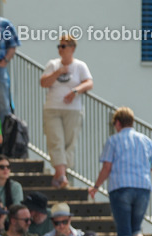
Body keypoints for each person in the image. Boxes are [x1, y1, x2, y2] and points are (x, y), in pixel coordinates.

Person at [89, 107, 152, 236]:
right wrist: (141, 169)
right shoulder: (145, 140)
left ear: (118, 123)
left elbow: (107, 167)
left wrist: (96, 187)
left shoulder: (113, 140)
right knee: (136, 230)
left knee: (124, 232)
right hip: (143, 188)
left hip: (120, 188)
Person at [40, 34, 93, 189]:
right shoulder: (53, 64)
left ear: (72, 48)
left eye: (63, 46)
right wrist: (58, 72)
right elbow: (43, 82)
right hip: (53, 107)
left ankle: (59, 175)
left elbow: (89, 82)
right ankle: (62, 176)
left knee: (69, 143)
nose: (60, 49)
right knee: (56, 140)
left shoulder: (80, 66)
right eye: (59, 46)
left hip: (73, 109)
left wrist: (75, 91)